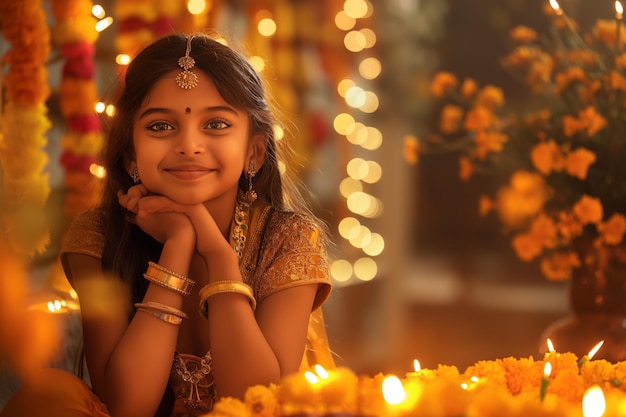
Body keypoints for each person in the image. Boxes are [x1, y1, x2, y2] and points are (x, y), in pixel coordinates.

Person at [0, 32, 333, 417]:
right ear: (130, 155)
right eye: (160, 126)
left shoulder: (288, 238)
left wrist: (216, 252)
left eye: (216, 124)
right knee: (50, 397)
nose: (189, 145)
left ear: (253, 152)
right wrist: (177, 245)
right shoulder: (96, 237)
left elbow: (256, 402)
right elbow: (127, 407)